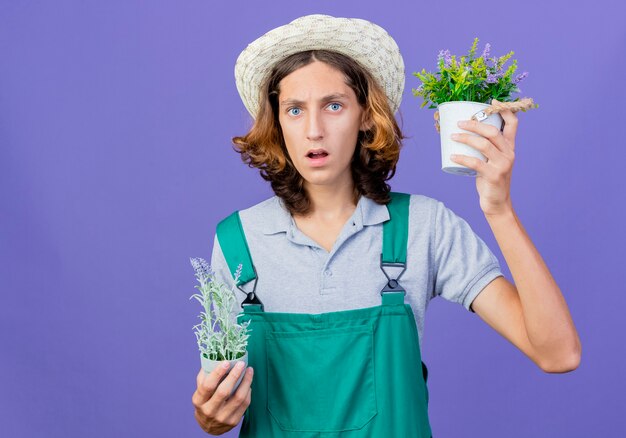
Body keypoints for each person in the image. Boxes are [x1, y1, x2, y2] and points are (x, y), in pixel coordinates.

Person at [191, 14, 581, 437]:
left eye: (334, 105)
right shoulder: (237, 242)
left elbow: (558, 354)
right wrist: (211, 419)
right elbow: (221, 402)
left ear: (364, 116)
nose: (314, 130)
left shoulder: (423, 227)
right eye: (295, 109)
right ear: (278, 122)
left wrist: (499, 208)